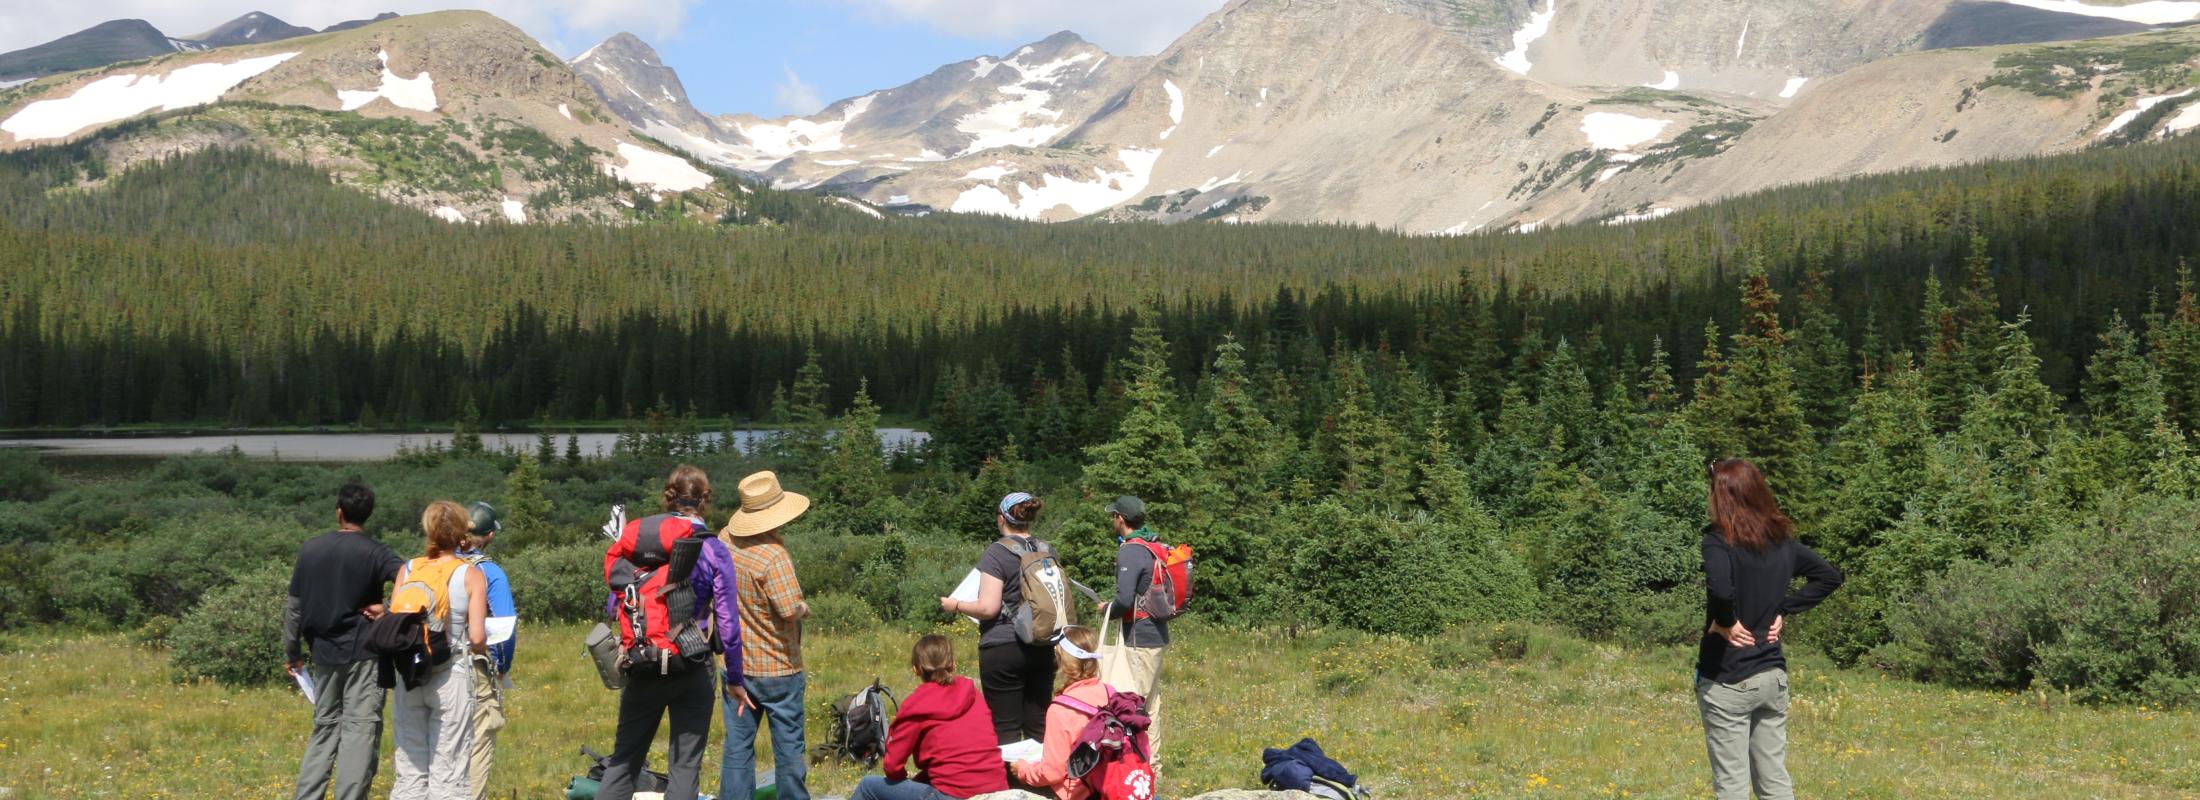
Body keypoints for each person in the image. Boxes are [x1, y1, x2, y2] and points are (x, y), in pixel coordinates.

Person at [1697, 458, 1845, 800]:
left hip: (1728, 678)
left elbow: (1720, 588)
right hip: (1772, 677)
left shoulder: (1718, 540)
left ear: (1722, 496)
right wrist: (1784, 609)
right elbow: (1830, 576)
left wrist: (1725, 622)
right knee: (1774, 780)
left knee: (1732, 784)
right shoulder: (1782, 542)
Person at [597, 465, 746, 800]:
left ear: (668, 497)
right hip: (692, 664)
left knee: (624, 762)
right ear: (705, 500)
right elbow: (728, 620)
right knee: (685, 767)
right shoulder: (712, 547)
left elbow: (614, 603)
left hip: (643, 660)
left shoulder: (639, 542)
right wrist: (735, 677)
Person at [288, 482, 404, 800]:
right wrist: (390, 608)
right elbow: (412, 579)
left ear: (339, 513)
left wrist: (292, 651)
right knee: (360, 729)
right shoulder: (377, 552)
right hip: (365, 652)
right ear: (368, 515)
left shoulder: (310, 549)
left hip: (322, 652)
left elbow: (294, 607)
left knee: (324, 726)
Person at [718, 471, 814, 800]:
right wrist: (804, 607)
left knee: (737, 748)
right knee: (788, 750)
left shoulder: (724, 540)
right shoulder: (774, 556)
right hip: (779, 668)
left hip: (736, 665)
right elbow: (788, 609)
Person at [390, 500, 490, 800]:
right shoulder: (470, 574)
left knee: (409, 767)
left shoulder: (408, 569)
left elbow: (394, 624)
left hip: (409, 674)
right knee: (449, 769)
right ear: (462, 533)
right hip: (450, 674)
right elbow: (476, 637)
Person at [938, 492, 1056, 745]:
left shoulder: (997, 552)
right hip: (1043, 645)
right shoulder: (1047, 549)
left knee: (1006, 729)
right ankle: (1039, 783)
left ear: (1002, 518)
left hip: (1004, 646)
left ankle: (1010, 784)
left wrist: (956, 605)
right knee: (1039, 726)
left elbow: (988, 608)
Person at [851, 635, 1010, 800]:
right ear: (953, 663)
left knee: (867, 785)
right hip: (997, 790)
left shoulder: (917, 704)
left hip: (955, 795)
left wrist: (905, 780)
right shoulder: (974, 694)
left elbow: (892, 766)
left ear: (916, 669)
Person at [1099, 495, 1170, 762]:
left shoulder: (1130, 550)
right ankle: (1152, 767)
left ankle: (1137, 766)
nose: (1112, 520)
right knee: (1151, 704)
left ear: (1121, 518)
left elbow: (1125, 600)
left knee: (1134, 705)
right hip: (1157, 634)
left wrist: (1106, 608)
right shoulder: (1153, 545)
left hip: (1140, 637)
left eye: (1113, 516)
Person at [458, 502, 517, 800]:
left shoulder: (429, 564)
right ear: (490, 536)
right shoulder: (489, 573)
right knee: (479, 742)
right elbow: (505, 633)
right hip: (474, 668)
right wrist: (502, 666)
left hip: (430, 668)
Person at [1013, 626, 1108, 800]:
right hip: (1108, 785)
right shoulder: (1110, 693)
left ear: (1060, 659)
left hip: (1079, 793)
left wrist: (1024, 770)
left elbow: (1052, 773)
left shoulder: (1061, 710)